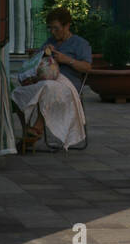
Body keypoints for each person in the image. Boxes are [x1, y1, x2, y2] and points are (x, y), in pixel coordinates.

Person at [12, 8, 91, 151]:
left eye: (56, 28)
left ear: (67, 26)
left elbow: (87, 67)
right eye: (51, 29)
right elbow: (36, 63)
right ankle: (27, 130)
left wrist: (67, 60)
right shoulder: (50, 41)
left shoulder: (80, 44)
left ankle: (37, 128)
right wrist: (43, 53)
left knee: (48, 87)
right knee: (18, 91)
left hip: (68, 84)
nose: (53, 32)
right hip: (46, 80)